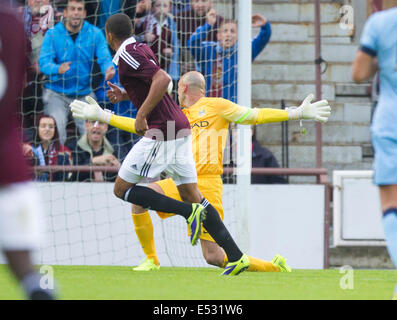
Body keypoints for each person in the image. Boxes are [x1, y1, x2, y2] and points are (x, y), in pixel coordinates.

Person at [71, 70, 330, 274]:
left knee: (214, 257)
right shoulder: (177, 115)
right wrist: (104, 115)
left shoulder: (217, 105)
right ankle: (151, 260)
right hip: (180, 181)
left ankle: (274, 266)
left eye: (178, 87)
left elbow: (254, 115)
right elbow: (141, 126)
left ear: (183, 88)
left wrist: (296, 113)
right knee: (138, 200)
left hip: (207, 183)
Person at [71, 13, 255, 276]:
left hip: (163, 130)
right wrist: (126, 95)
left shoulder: (127, 55)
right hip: (179, 127)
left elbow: (163, 80)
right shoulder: (140, 47)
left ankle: (186, 212)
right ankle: (237, 257)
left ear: (108, 35)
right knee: (194, 195)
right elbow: (152, 84)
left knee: (122, 189)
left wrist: (141, 114)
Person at [0, 4, 57, 300]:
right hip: (8, 162)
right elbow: (21, 82)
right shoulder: (11, 23)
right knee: (27, 269)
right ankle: (37, 286)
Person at [352, 6, 397, 300]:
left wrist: (383, 60)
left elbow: (359, 74)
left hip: (390, 122)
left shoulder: (381, 23)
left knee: (391, 203)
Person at [39, 0, 115, 145]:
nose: (76, 12)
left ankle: (93, 165)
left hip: (84, 93)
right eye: (72, 9)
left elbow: (105, 58)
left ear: (84, 13)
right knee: (56, 133)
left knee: (93, 134)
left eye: (79, 9)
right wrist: (57, 69)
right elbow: (44, 63)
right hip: (56, 93)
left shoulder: (95, 33)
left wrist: (109, 69)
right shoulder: (52, 33)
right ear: (65, 13)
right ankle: (58, 165)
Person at [187, 9, 271, 102]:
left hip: (232, 106)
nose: (228, 35)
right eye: (225, 31)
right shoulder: (208, 50)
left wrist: (265, 25)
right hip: (208, 105)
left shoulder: (243, 52)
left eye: (232, 31)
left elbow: (263, 38)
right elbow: (192, 43)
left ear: (238, 36)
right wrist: (208, 25)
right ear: (218, 36)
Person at [19, 0, 55, 133]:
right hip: (22, 69)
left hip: (43, 73)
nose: (38, 1)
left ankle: (37, 136)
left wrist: (43, 63)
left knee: (35, 95)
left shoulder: (54, 16)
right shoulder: (19, 16)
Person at [134, 0, 180, 87]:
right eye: (158, 5)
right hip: (148, 65)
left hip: (165, 65)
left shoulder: (171, 25)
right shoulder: (144, 23)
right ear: (152, 7)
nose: (161, 9)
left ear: (170, 8)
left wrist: (171, 50)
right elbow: (133, 40)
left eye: (165, 6)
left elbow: (175, 44)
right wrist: (144, 37)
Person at [175, 0, 223, 75]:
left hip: (211, 71)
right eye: (196, 1)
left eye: (204, 1)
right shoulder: (180, 18)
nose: (200, 5)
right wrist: (179, 64)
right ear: (191, 2)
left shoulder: (220, 22)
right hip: (185, 72)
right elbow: (173, 46)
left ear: (211, 2)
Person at [23, 115, 73, 182]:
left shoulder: (64, 151)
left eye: (51, 127)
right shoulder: (28, 149)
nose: (47, 129)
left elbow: (69, 177)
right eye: (43, 126)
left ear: (55, 130)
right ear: (37, 129)